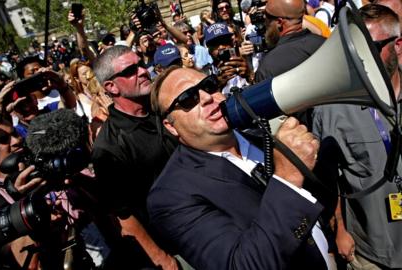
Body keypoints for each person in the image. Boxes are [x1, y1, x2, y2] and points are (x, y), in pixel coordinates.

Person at [148, 66, 330, 270]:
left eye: (209, 86)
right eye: (188, 98)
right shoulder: (170, 197)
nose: (207, 97)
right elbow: (241, 265)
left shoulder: (260, 135)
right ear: (171, 126)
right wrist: (288, 177)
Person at [312, 4, 402, 269]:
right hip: (371, 253)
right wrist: (340, 227)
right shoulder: (330, 109)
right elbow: (328, 181)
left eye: (371, 48)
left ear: (398, 46)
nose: (360, 59)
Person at [91, 45, 178, 269]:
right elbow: (124, 215)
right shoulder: (108, 148)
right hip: (176, 241)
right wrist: (161, 258)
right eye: (130, 70)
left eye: (141, 64)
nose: (142, 71)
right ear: (111, 87)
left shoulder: (164, 105)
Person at [255, 0, 326, 82]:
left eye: (266, 16)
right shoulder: (324, 44)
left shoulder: (268, 66)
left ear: (279, 22)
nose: (264, 22)